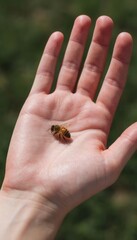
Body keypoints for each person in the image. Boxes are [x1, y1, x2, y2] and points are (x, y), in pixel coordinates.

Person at [0, 15, 136, 240]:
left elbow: (62, 134)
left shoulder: (60, 132)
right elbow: (62, 134)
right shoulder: (60, 132)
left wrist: (26, 199)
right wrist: (31, 197)